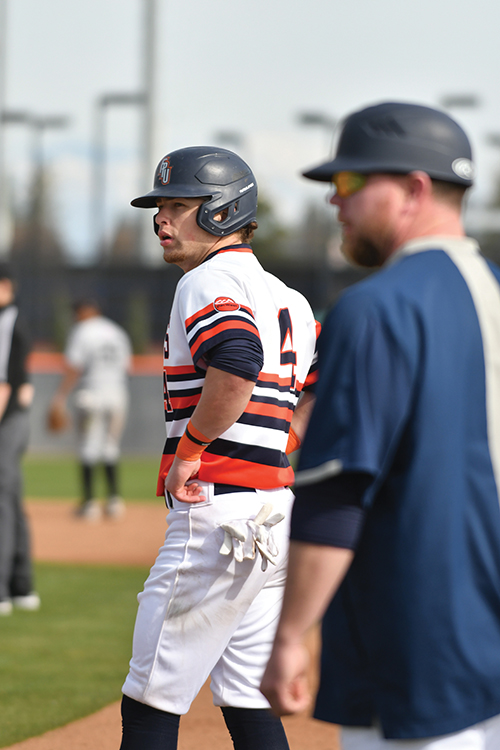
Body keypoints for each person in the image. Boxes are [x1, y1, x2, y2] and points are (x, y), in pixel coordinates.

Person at [261, 101, 500, 750]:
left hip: (416, 647)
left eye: (349, 183)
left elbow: (340, 497)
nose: (335, 202)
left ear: (413, 190)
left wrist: (288, 636)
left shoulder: (376, 308)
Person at [119, 146, 319, 750]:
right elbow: (318, 387)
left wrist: (191, 449)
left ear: (224, 211)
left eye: (180, 206)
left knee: (150, 696)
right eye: (160, 207)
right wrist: (280, 442)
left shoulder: (205, 279)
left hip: (217, 513)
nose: (162, 220)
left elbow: (235, 360)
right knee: (248, 698)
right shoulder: (293, 298)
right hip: (273, 513)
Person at [48, 299, 132, 520]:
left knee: (88, 446)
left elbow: (74, 367)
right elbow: (127, 366)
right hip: (117, 394)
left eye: (77, 312)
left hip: (90, 395)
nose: (76, 317)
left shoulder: (82, 331)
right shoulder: (117, 331)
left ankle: (89, 504)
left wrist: (59, 397)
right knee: (110, 447)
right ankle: (114, 501)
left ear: (85, 311)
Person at [0, 263, 39, 616]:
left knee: (2, 495)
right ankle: (21, 586)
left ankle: (3, 590)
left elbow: (5, 382)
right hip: (13, 416)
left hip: (6, 419)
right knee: (8, 496)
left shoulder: (7, 320)